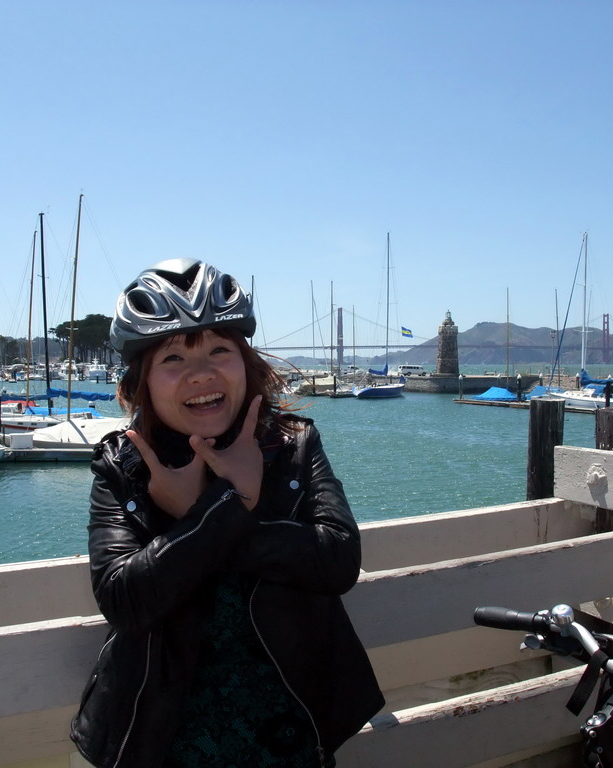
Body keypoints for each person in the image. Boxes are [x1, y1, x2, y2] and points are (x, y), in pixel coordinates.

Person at [70, 259, 384, 768]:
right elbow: (123, 600)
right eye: (172, 358)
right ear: (142, 382)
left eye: (220, 349)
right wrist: (228, 506)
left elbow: (338, 560)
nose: (201, 374)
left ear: (247, 364)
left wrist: (209, 514)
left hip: (292, 734)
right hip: (157, 741)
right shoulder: (124, 464)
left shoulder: (294, 445)